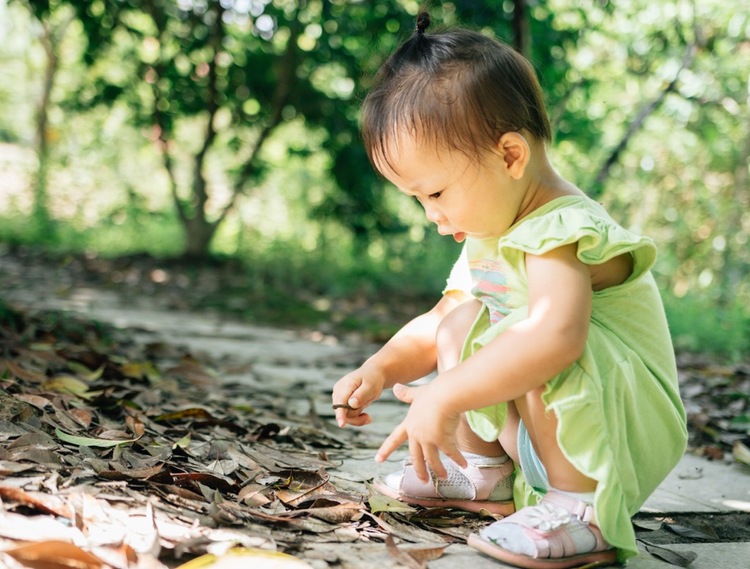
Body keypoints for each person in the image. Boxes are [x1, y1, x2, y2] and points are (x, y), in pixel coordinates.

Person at [331, 12, 687, 569]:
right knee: (463, 317)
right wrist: (383, 367)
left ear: (510, 155)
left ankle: (582, 508)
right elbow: (440, 318)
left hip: (623, 424)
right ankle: (484, 473)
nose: (432, 214)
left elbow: (555, 338)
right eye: (418, 200)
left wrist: (445, 396)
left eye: (437, 192)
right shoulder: (492, 232)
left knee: (536, 340)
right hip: (562, 423)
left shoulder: (561, 228)